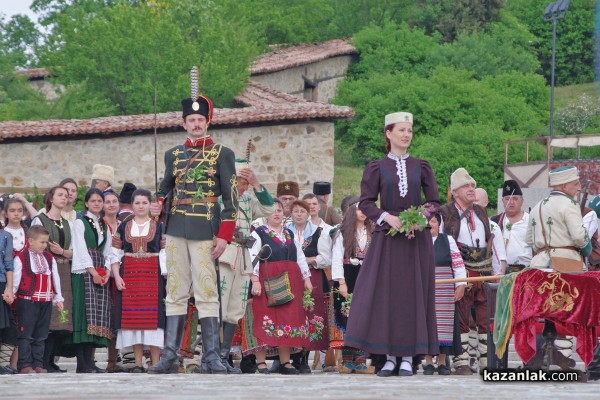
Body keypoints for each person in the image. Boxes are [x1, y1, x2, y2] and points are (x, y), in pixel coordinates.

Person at [148, 69, 238, 374]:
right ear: (184, 123)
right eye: (191, 120)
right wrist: (156, 203)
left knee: (206, 290)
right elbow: (165, 188)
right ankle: (170, 355)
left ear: (207, 121)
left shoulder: (223, 154)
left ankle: (211, 355)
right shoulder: (173, 154)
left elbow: (232, 200)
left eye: (200, 120)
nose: (196, 124)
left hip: (206, 229)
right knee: (175, 289)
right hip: (175, 230)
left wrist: (224, 235)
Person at [344, 112, 440, 377]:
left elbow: (433, 201)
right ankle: (387, 357)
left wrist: (418, 218)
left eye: (410, 130)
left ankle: (408, 358)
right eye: (401, 130)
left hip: (415, 239)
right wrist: (387, 217)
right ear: (388, 134)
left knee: (411, 294)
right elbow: (365, 202)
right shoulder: (376, 167)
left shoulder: (422, 166)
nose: (406, 135)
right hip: (387, 238)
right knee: (385, 295)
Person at [245, 199, 316, 375]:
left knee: (286, 320)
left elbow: (299, 257)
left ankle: (285, 361)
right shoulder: (257, 234)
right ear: (265, 213)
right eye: (272, 210)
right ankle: (260, 362)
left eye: (279, 210)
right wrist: (255, 280)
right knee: (264, 318)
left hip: (290, 282)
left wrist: (306, 278)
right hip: (266, 281)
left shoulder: (289, 233)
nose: (276, 213)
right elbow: (252, 257)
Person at [217, 163, 274, 374]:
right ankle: (212, 356)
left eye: (245, 183)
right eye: (241, 183)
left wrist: (256, 183)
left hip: (243, 255)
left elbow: (269, 209)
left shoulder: (249, 198)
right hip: (224, 251)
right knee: (219, 306)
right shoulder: (219, 196)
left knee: (235, 308)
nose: (244, 187)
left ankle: (223, 357)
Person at [438, 167, 493, 375]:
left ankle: (486, 362)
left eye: (473, 186)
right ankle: (461, 361)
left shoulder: (480, 211)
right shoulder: (444, 212)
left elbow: (489, 243)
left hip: (484, 271)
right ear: (454, 191)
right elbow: (441, 244)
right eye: (466, 186)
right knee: (460, 316)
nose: (471, 189)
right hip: (460, 272)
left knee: (485, 317)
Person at [111, 189, 166, 373]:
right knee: (134, 321)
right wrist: (117, 276)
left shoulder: (159, 226)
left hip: (153, 276)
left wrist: (166, 277)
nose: (141, 206)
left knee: (154, 321)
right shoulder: (123, 227)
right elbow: (115, 254)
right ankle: (138, 364)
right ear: (132, 205)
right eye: (137, 203)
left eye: (144, 203)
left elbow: (165, 254)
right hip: (130, 277)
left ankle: (156, 363)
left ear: (150, 205)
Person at [31, 186, 74, 373]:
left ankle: (51, 359)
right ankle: (41, 361)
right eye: (60, 195)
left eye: (66, 195)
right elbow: (31, 245)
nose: (64, 198)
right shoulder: (39, 220)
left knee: (62, 317)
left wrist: (62, 252)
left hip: (64, 270)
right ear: (51, 198)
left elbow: (74, 251)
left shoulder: (68, 223)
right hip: (44, 269)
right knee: (46, 317)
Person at [71, 188, 114, 373]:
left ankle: (89, 361)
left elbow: (108, 251)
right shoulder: (79, 223)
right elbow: (80, 249)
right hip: (84, 272)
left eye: (99, 201)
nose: (97, 203)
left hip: (99, 269)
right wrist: (92, 272)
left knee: (96, 315)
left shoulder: (103, 225)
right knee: (84, 315)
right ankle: (82, 363)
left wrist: (106, 271)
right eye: (93, 201)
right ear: (86, 203)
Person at [331, 199, 375, 374]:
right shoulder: (343, 232)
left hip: (367, 277)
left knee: (365, 316)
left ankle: (361, 359)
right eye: (359, 209)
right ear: (352, 212)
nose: (363, 212)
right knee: (346, 316)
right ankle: (347, 359)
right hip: (347, 276)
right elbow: (336, 258)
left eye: (366, 209)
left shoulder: (373, 231)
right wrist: (341, 282)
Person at [13, 225, 64, 374]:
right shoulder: (21, 258)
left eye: (46, 242)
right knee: (26, 334)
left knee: (41, 335)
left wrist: (58, 297)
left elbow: (55, 278)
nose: (45, 245)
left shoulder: (49, 258)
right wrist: (12, 293)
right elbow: (16, 279)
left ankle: (38, 364)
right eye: (42, 242)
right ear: (31, 241)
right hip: (28, 301)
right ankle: (24, 364)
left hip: (46, 301)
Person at [287, 200, 330, 373]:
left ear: (308, 214)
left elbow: (325, 258)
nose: (299, 214)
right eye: (295, 211)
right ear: (291, 214)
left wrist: (307, 260)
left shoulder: (319, 232)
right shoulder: (285, 232)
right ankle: (285, 357)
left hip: (313, 277)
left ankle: (303, 357)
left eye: (302, 211)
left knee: (311, 315)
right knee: (290, 314)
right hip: (289, 278)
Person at [423, 213, 466, 375]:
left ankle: (442, 362)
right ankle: (427, 362)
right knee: (426, 323)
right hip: (425, 288)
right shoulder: (417, 241)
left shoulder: (447, 240)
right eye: (426, 221)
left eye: (433, 221)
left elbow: (458, 264)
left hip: (445, 289)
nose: (429, 224)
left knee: (443, 325)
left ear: (438, 224)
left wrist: (461, 285)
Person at [491, 180, 533, 271]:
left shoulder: (531, 220)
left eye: (515, 198)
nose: (511, 202)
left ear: (522, 200)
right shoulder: (495, 221)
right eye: (507, 199)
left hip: (526, 270)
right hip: (501, 272)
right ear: (502, 201)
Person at [0, 220, 17, 375]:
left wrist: (9, 289)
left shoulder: (5, 236)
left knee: (10, 327)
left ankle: (3, 364)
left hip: (2, 283)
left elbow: (9, 264)